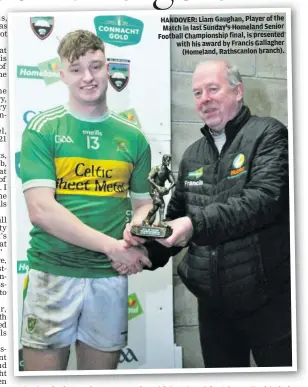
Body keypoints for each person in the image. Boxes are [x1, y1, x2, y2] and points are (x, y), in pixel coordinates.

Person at [117, 59, 292, 367]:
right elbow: (177, 222)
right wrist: (144, 249)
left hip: (268, 301)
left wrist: (193, 224)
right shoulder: (193, 154)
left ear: (238, 92)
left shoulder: (269, 134)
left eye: (213, 89)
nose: (204, 99)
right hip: (212, 307)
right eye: (197, 92)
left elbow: (263, 200)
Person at [20, 29, 153, 371]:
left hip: (108, 276)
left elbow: (143, 204)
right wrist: (113, 246)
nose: (88, 77)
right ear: (61, 74)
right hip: (53, 271)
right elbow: (42, 211)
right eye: (76, 68)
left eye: (96, 66)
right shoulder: (42, 128)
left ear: (109, 68)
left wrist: (137, 233)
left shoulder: (134, 137)